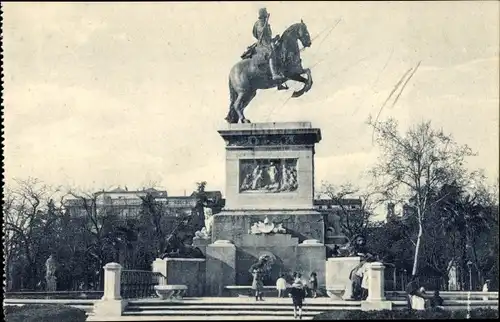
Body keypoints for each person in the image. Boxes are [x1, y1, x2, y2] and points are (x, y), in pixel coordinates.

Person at [252, 8, 286, 84]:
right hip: (262, 45)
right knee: (271, 52)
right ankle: (274, 74)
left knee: (278, 48)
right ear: (263, 15)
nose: (266, 16)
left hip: (267, 43)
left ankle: (279, 80)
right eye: (265, 15)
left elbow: (268, 38)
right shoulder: (260, 23)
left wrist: (275, 39)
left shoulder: (265, 24)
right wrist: (265, 22)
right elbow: (261, 31)